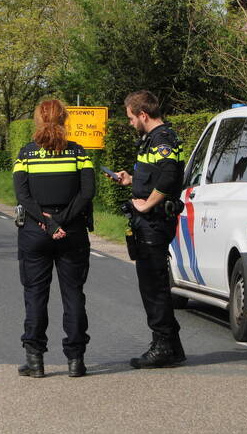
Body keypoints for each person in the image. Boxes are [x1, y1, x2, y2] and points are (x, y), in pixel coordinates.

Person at [13, 98, 96, 378]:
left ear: (37, 119)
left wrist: (47, 224)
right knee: (73, 295)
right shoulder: (78, 153)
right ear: (64, 120)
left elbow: (22, 196)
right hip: (71, 231)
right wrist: (61, 222)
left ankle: (35, 360)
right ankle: (76, 360)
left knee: (35, 295)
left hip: (35, 232)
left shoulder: (25, 155)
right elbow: (87, 193)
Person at [111, 90, 186, 368]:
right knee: (152, 284)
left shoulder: (163, 139)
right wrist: (132, 181)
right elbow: (155, 175)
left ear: (143, 115)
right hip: (149, 222)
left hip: (154, 222)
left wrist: (147, 204)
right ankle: (172, 345)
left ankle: (163, 346)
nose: (130, 122)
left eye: (131, 117)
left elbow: (169, 177)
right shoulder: (152, 139)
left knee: (154, 286)